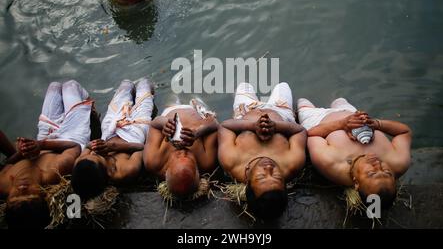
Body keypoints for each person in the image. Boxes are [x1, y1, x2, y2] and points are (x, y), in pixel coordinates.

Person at [0, 80, 94, 228]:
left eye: (16, 197)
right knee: (70, 85)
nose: (22, 189)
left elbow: (8, 163)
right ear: (44, 194)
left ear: (7, 200)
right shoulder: (54, 171)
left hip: (45, 136)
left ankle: (81, 109)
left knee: (54, 86)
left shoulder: (3, 184)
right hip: (71, 137)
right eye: (29, 195)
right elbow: (74, 147)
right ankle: (87, 107)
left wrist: (23, 151)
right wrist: (41, 145)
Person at [298, 97, 412, 209]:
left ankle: (303, 106)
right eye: (387, 172)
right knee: (339, 99)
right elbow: (404, 132)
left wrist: (342, 124)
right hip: (352, 114)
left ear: (356, 183)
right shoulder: (398, 162)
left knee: (303, 101)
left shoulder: (332, 163)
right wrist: (377, 124)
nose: (378, 165)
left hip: (317, 119)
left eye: (371, 173)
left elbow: (310, 134)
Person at [218, 82, 307, 219]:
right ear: (285, 184)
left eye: (261, 176)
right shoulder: (292, 164)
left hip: (246, 111)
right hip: (281, 111)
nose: (268, 168)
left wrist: (253, 126)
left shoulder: (231, 161)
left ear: (247, 185)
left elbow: (224, 127)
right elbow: (300, 131)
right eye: (276, 176)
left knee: (244, 84)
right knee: (283, 85)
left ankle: (237, 93)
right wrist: (275, 126)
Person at [71, 79, 154, 200]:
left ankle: (130, 90)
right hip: (136, 130)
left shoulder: (81, 165)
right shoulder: (125, 171)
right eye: (97, 156)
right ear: (105, 172)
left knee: (126, 84)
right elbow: (142, 148)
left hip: (110, 128)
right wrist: (113, 147)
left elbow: (88, 146)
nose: (94, 152)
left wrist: (95, 144)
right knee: (144, 84)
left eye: (90, 154)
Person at [143, 97, 218, 199]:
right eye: (188, 156)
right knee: (197, 99)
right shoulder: (206, 161)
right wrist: (198, 131)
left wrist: (165, 124)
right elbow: (214, 123)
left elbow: (154, 124)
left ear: (166, 170)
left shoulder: (153, 161)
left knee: (172, 98)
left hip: (170, 112)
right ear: (197, 170)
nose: (183, 151)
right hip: (195, 113)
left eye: (178, 156)